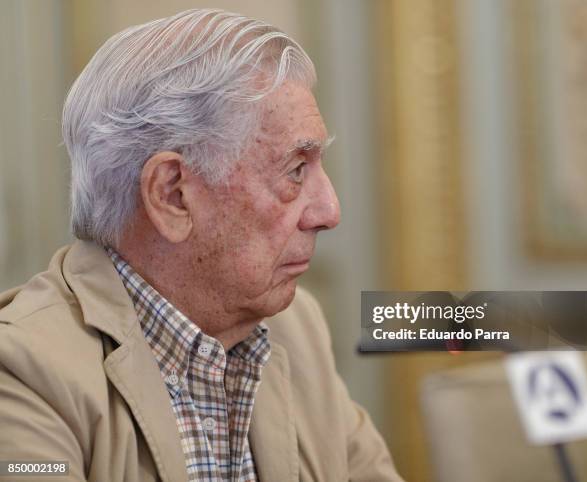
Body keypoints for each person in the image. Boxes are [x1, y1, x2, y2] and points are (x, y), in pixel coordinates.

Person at [0, 8, 403, 482]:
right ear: (172, 195)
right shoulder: (22, 374)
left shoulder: (297, 329)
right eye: (295, 171)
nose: (328, 211)